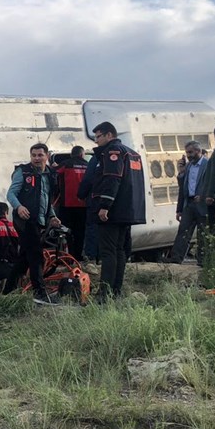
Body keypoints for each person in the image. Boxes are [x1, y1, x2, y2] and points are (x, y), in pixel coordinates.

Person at [91, 122, 146, 299]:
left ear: (109, 135)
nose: (96, 141)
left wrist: (105, 205)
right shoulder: (133, 154)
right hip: (128, 210)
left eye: (98, 136)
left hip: (113, 211)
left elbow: (112, 178)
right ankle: (116, 291)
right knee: (120, 250)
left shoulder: (112, 151)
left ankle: (104, 293)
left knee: (108, 251)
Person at [4, 142, 62, 303]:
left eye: (40, 155)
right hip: (25, 220)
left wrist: (52, 216)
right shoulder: (23, 172)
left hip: (40, 220)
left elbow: (46, 199)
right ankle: (40, 293)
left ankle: (7, 292)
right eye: (33, 155)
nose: (36, 158)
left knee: (24, 259)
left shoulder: (50, 174)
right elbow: (11, 194)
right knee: (36, 256)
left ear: (47, 156)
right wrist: (19, 207)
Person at [169, 141, 209, 265]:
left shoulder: (207, 165)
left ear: (198, 151)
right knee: (183, 231)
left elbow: (212, 183)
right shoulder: (188, 166)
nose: (188, 155)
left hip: (202, 204)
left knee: (203, 233)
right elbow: (182, 188)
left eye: (190, 152)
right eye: (187, 152)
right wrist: (181, 172)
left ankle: (203, 260)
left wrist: (203, 196)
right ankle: (176, 258)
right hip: (189, 203)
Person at [55, 146, 89, 259]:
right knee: (80, 232)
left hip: (67, 204)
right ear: (82, 154)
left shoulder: (65, 164)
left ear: (71, 154)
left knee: (66, 231)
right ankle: (78, 256)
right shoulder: (88, 166)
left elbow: (54, 172)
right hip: (83, 205)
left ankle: (68, 255)